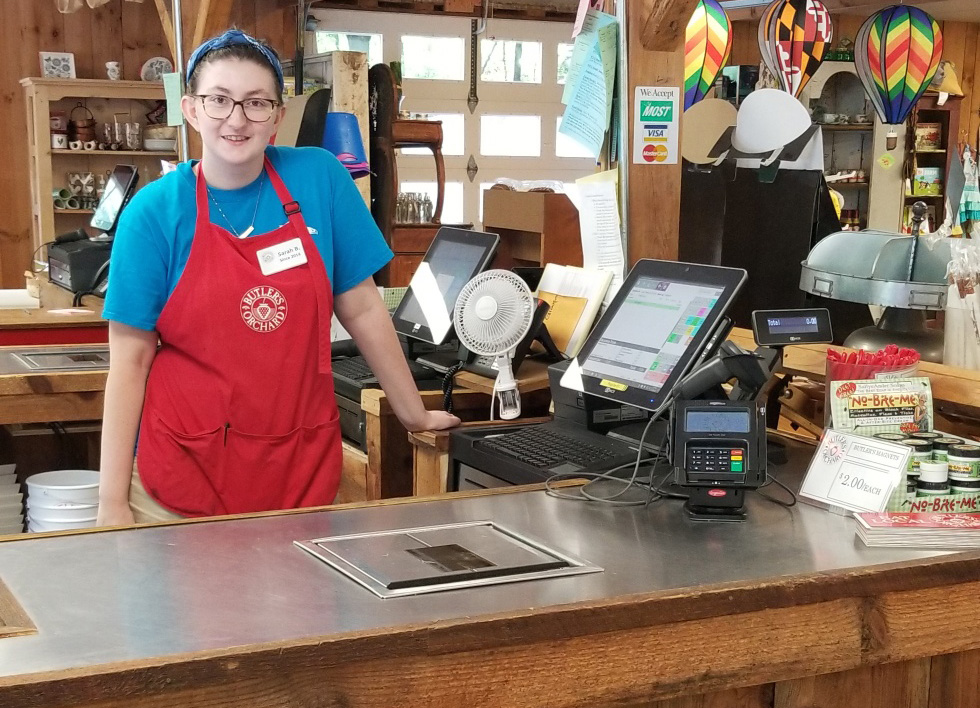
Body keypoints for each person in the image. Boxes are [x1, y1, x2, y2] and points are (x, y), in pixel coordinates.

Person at [96, 29, 459, 526]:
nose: (237, 119)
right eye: (219, 100)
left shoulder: (320, 178)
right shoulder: (154, 213)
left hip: (298, 463)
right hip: (183, 472)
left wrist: (413, 414)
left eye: (256, 103)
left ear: (278, 116)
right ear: (192, 108)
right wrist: (111, 502)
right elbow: (130, 365)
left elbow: (364, 307)